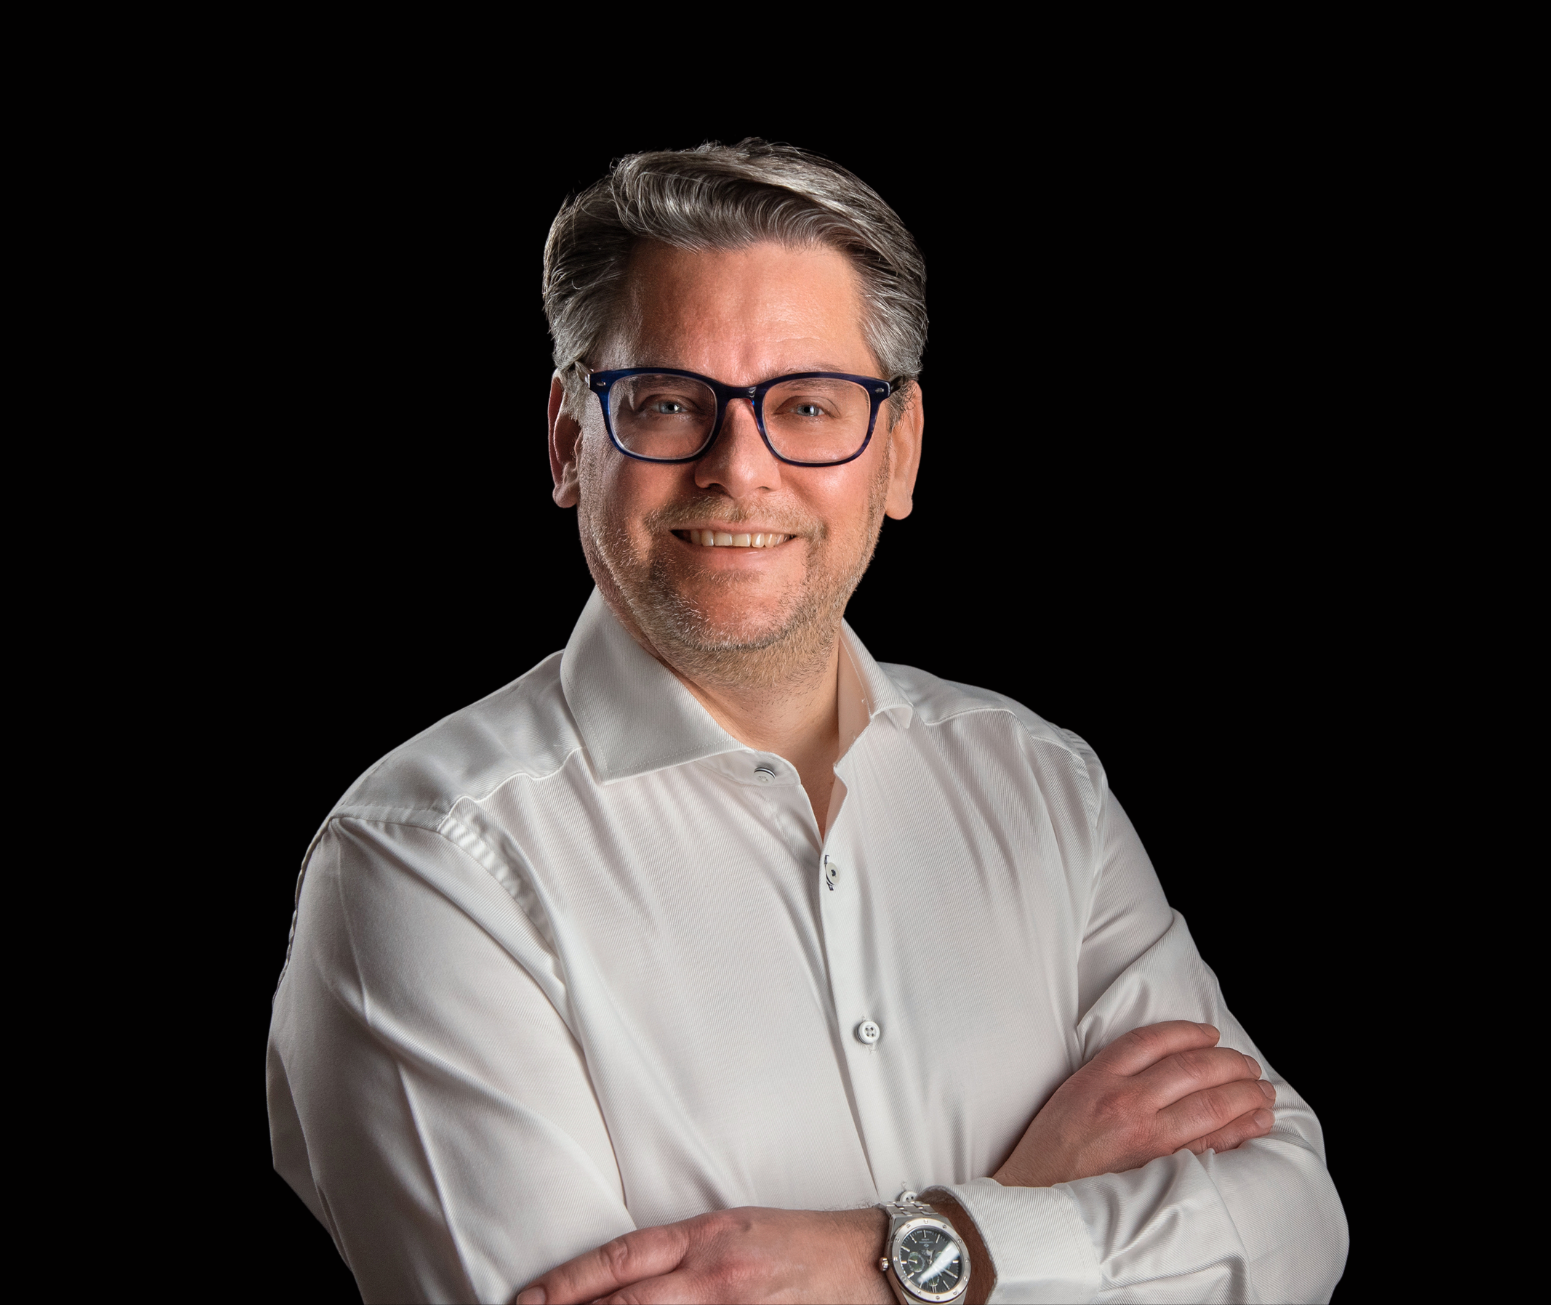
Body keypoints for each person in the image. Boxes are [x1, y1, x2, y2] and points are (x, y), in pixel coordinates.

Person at [266, 140, 1347, 1304]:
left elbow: (1291, 1228)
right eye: (668, 402)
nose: (740, 469)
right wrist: (1022, 1214)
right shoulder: (422, 865)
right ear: (569, 440)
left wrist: (906, 1258)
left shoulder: (1039, 785)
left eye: (809, 405)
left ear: (899, 453)